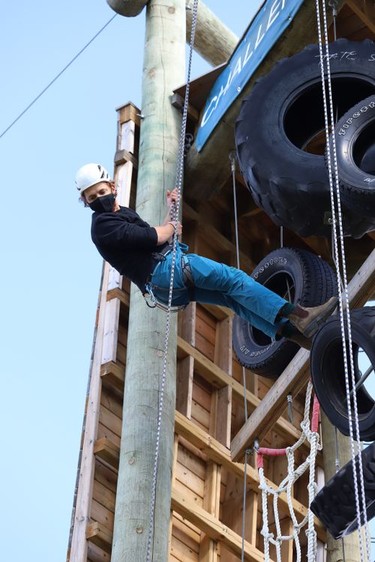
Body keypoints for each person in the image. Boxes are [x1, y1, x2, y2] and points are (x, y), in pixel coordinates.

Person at [76, 163, 338, 350]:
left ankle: (298, 336)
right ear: (85, 202)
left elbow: (154, 236)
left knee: (232, 299)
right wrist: (167, 230)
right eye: (92, 197)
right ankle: (303, 316)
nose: (99, 199)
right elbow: (154, 238)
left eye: (101, 192)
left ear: (111, 185)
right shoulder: (102, 225)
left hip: (165, 283)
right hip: (167, 270)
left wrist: (171, 210)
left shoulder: (120, 215)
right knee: (234, 279)